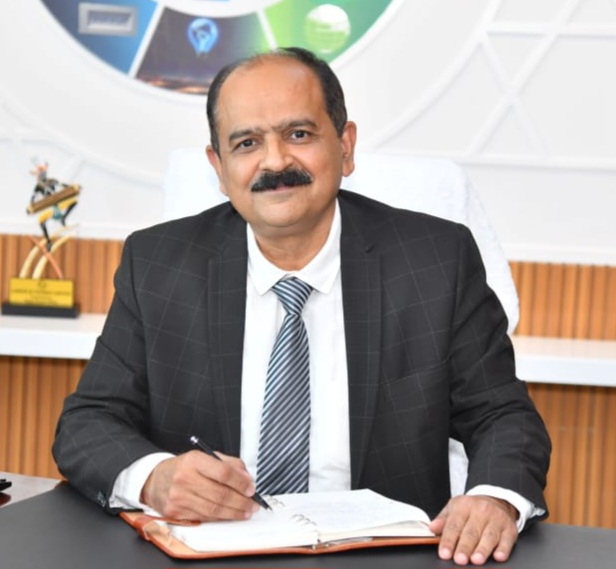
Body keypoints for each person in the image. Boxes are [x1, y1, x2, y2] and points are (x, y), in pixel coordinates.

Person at [53, 47, 550, 566]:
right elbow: (88, 422)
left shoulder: (433, 261)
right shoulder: (159, 263)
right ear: (219, 167)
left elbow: (503, 415)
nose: (275, 162)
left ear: (345, 146)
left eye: (298, 134)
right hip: (215, 552)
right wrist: (153, 477)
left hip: (385, 557)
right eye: (247, 143)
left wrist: (494, 497)